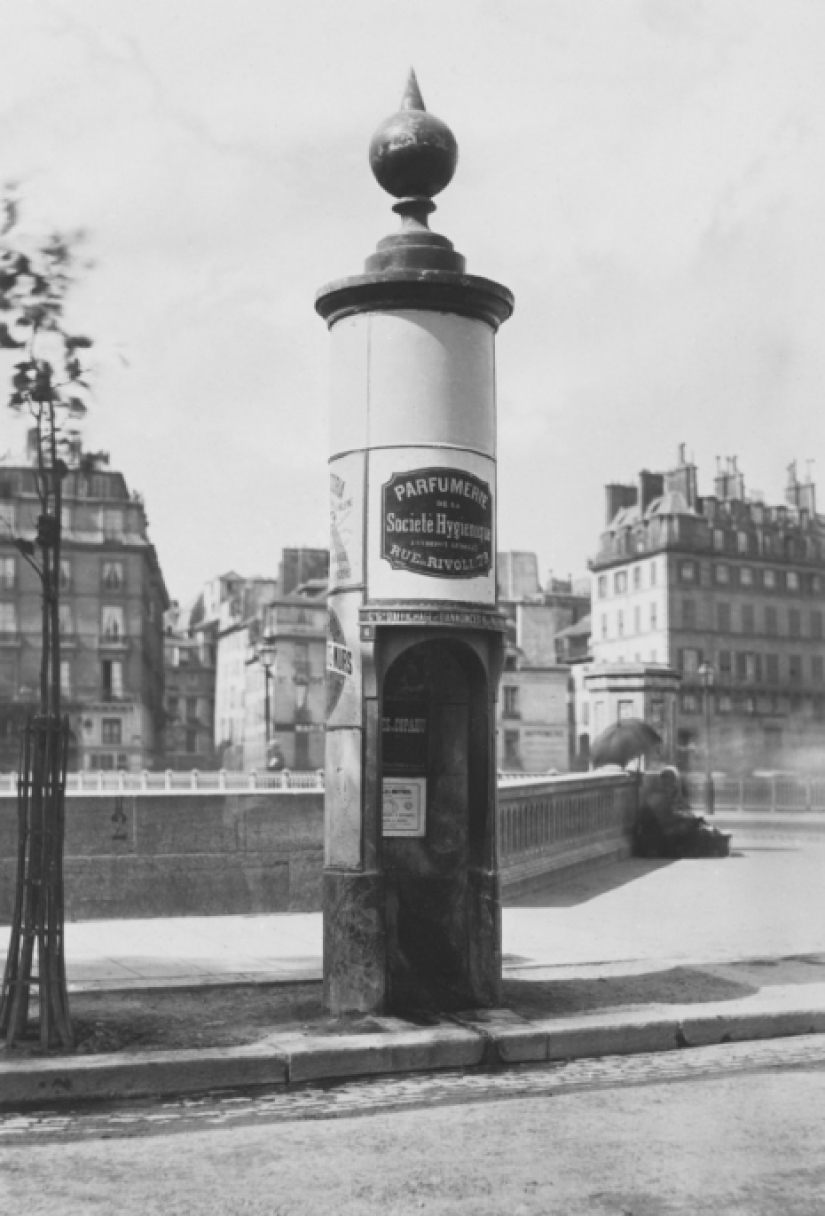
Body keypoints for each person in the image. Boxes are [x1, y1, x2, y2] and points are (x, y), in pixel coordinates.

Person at [635, 766, 731, 858]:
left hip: (669, 833)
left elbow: (682, 812)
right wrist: (687, 820)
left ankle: (717, 839)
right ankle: (717, 842)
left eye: (671, 781)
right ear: (661, 782)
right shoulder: (657, 798)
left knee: (700, 827)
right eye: (666, 781)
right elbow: (666, 820)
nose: (669, 785)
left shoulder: (674, 797)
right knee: (697, 833)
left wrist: (690, 819)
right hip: (661, 838)